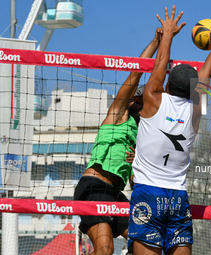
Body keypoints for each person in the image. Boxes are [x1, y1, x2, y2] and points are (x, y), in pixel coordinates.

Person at [127, 5, 211, 255]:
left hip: (148, 191)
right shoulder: (195, 110)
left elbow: (160, 62)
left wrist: (167, 34)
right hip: (177, 196)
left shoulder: (153, 98)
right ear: (192, 90)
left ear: (167, 83)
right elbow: (206, 73)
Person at [74, 28, 163, 255]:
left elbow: (135, 184)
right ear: (134, 99)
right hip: (94, 186)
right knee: (105, 250)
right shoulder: (118, 114)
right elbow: (135, 74)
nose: (147, 105)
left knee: (149, 242)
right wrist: (156, 43)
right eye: (142, 101)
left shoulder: (140, 134)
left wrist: (138, 164)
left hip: (116, 193)